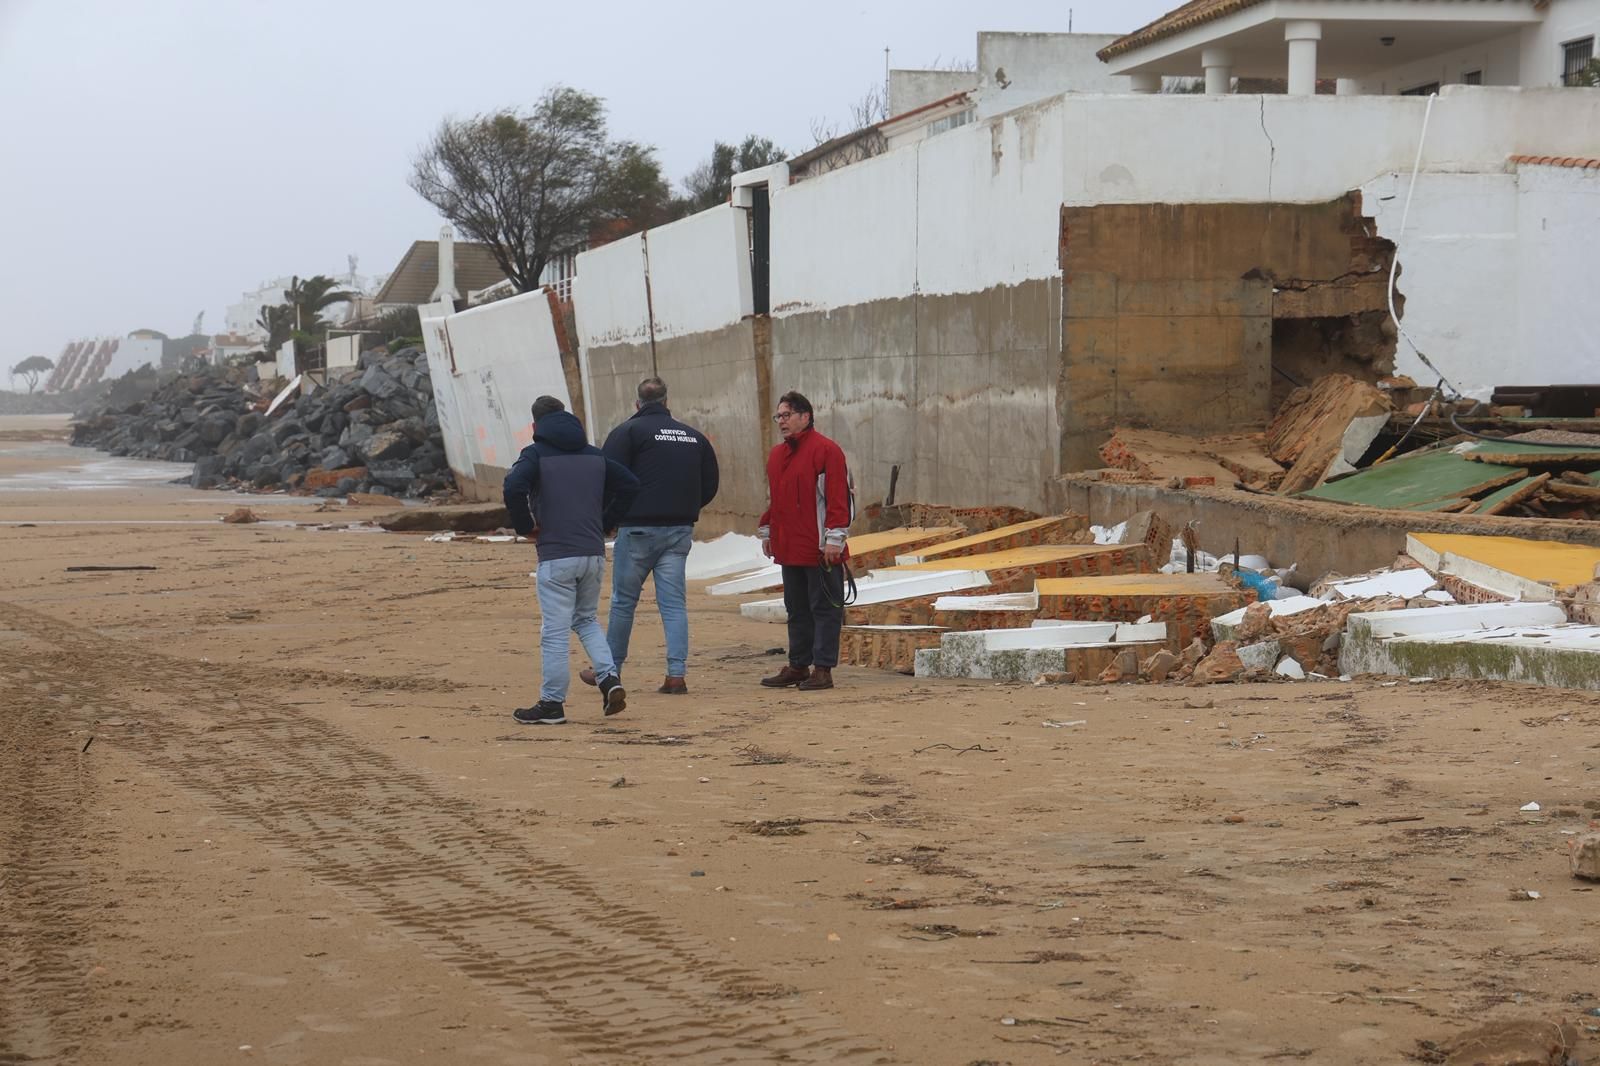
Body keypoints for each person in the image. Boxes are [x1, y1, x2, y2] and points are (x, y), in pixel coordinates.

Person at [578, 376, 719, 696]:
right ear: (667, 402)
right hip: (679, 530)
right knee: (673, 605)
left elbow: (607, 477)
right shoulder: (693, 437)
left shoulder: (628, 432)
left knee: (624, 602)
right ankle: (676, 674)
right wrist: (684, 509)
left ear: (637, 404)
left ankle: (609, 671)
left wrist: (608, 520)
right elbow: (709, 485)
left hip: (638, 529)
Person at [503, 395, 639, 725]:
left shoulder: (535, 454)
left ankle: (552, 703)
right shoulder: (594, 455)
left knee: (554, 631)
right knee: (586, 620)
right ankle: (609, 679)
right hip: (592, 553)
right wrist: (607, 521)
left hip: (556, 555)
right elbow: (631, 485)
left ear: (535, 425)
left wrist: (525, 526)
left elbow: (512, 486)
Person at [757, 390, 852, 692]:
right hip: (790, 548)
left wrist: (834, 539)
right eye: (779, 416)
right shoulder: (776, 456)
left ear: (805, 417)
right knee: (796, 608)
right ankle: (798, 664)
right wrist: (768, 532)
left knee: (824, 609)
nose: (781, 421)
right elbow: (776, 500)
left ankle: (823, 669)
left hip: (820, 549)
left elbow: (839, 499)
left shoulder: (827, 451)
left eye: (786, 415)